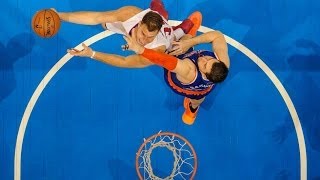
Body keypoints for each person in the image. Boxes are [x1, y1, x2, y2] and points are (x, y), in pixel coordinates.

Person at [123, 28, 230, 125]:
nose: (203, 59)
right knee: (185, 40)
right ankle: (188, 34)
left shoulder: (188, 71)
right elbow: (217, 35)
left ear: (204, 74)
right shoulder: (223, 63)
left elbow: (163, 60)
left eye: (205, 65)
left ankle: (192, 110)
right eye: (210, 59)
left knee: (197, 100)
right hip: (200, 81)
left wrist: (139, 49)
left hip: (181, 83)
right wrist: (190, 42)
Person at [55, 0, 201, 68]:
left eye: (150, 37)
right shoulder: (131, 14)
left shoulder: (157, 48)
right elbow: (95, 17)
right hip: (148, 21)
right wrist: (59, 16)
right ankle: (159, 9)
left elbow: (125, 62)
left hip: (168, 38)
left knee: (176, 37)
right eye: (143, 33)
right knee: (104, 23)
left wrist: (92, 54)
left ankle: (187, 28)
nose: (144, 40)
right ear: (140, 22)